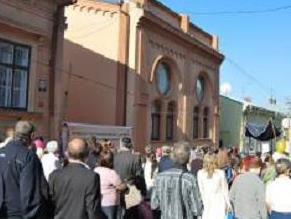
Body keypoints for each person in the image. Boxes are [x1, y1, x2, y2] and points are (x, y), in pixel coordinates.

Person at [0, 121, 51, 219]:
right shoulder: (29, 156)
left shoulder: (2, 152)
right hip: (17, 213)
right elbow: (30, 192)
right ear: (32, 135)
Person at [49, 138, 103, 219]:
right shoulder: (91, 176)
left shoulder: (55, 175)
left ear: (67, 153)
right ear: (87, 155)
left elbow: (50, 204)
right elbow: (92, 209)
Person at [151, 142, 203, 219]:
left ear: (172, 157)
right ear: (188, 158)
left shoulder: (159, 178)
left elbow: (154, 205)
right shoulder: (189, 179)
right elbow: (197, 209)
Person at [113, 137, 144, 219]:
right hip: (131, 189)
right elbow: (139, 176)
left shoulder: (114, 156)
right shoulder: (135, 157)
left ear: (121, 145)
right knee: (131, 214)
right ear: (131, 145)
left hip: (117, 189)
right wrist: (143, 191)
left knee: (119, 214)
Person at [197, 153, 230, 219]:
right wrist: (228, 204)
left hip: (207, 203)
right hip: (219, 203)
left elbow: (201, 191)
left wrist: (204, 202)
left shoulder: (200, 173)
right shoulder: (220, 173)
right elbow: (225, 190)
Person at [95, 151, 125, 219]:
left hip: (99, 201)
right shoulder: (111, 173)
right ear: (110, 161)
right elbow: (120, 186)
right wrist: (125, 185)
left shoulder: (95, 170)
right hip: (110, 203)